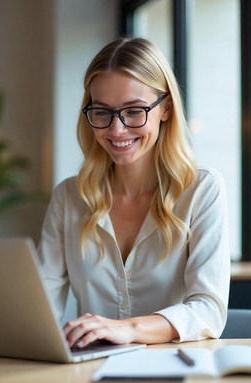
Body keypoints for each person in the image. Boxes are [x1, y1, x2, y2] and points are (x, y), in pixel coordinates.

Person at [38, 37, 230, 348]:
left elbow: (208, 311)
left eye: (134, 111)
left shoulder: (202, 190)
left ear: (165, 108)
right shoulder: (69, 198)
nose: (116, 130)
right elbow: (40, 305)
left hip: (179, 376)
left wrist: (128, 329)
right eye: (102, 112)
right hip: (90, 377)